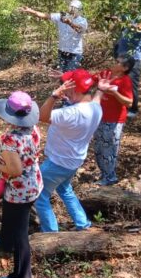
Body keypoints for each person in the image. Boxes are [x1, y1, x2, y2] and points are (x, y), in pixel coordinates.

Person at [35, 68, 109, 232]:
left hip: (57, 163)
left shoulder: (70, 113)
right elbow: (97, 98)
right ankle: (83, 224)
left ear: (75, 90)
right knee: (64, 189)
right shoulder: (95, 108)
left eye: (68, 88)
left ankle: (50, 234)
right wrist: (101, 89)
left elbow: (42, 116)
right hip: (74, 161)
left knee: (39, 195)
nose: (64, 90)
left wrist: (54, 96)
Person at [0, 91, 43, 278]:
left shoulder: (9, 139)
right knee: (9, 213)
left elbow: (15, 170)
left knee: (20, 232)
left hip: (20, 189)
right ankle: (5, 242)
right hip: (33, 181)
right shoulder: (33, 129)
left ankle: (22, 277)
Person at [93, 57, 135, 185]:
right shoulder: (106, 74)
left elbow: (129, 102)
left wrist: (114, 93)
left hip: (114, 120)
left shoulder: (125, 80)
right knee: (98, 147)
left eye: (118, 62)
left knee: (109, 148)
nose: (113, 63)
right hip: (100, 117)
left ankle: (110, 177)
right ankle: (104, 174)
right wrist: (65, 76)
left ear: (125, 68)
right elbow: (88, 79)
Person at [19, 0, 88, 71]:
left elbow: (79, 30)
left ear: (79, 10)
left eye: (74, 9)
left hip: (75, 53)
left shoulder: (82, 20)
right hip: (62, 51)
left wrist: (69, 23)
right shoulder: (61, 16)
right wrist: (31, 11)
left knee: (70, 74)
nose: (72, 11)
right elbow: (45, 15)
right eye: (71, 8)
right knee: (61, 74)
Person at [113, 17, 141, 118]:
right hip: (121, 55)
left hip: (134, 57)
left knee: (132, 83)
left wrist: (125, 22)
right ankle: (123, 106)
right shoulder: (128, 15)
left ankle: (133, 109)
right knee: (121, 81)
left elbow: (140, 28)